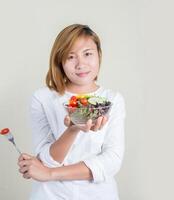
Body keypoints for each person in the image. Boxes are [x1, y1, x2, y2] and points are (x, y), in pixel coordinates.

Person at [17, 24, 126, 200]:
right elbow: (46, 160)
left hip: (98, 195)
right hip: (50, 195)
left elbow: (111, 161)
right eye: (70, 56)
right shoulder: (43, 98)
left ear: (99, 55)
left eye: (87, 54)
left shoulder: (113, 99)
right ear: (60, 61)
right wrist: (73, 128)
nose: (80, 64)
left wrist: (50, 174)